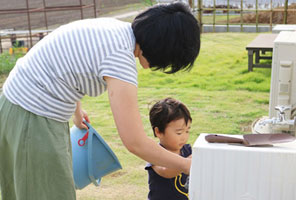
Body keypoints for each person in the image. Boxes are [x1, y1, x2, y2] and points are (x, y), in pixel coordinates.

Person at [0, 2, 200, 200]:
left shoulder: (115, 30)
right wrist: (184, 165)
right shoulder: (120, 58)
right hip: (32, 118)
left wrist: (77, 111)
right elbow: (134, 141)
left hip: (17, 108)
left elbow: (68, 58)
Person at [146, 97, 192, 200]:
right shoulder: (154, 154)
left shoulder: (187, 150)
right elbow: (165, 171)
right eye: (179, 132)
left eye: (187, 131)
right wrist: (189, 162)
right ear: (158, 132)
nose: (184, 137)